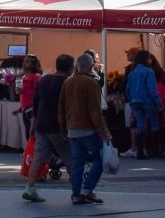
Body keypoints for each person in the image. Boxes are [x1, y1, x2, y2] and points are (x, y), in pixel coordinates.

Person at [23, 53, 72, 203]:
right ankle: (77, 189)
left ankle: (30, 188)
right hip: (58, 126)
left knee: (38, 157)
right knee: (70, 157)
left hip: (41, 124)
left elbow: (36, 103)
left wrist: (33, 123)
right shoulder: (67, 82)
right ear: (70, 67)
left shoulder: (43, 80)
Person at [60, 50, 105, 206]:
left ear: (77, 66)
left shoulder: (68, 82)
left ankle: (76, 194)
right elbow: (95, 111)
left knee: (77, 162)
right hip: (88, 129)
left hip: (72, 128)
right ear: (91, 66)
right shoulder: (91, 83)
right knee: (100, 159)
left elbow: (61, 108)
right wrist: (104, 133)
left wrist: (64, 129)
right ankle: (88, 188)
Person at [125, 50, 162, 158]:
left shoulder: (132, 72)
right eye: (149, 58)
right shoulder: (149, 71)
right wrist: (158, 102)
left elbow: (128, 89)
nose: (151, 60)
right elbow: (152, 89)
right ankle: (153, 150)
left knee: (140, 125)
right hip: (148, 101)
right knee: (154, 124)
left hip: (135, 101)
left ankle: (140, 151)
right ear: (146, 59)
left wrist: (131, 100)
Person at [17, 56, 42, 139]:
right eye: (24, 61)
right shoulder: (23, 77)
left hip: (32, 109)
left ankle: (34, 151)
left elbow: (38, 93)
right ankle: (30, 150)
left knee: (32, 133)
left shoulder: (36, 76)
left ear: (33, 65)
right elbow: (22, 95)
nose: (24, 63)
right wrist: (20, 108)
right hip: (25, 109)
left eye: (27, 62)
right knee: (28, 132)